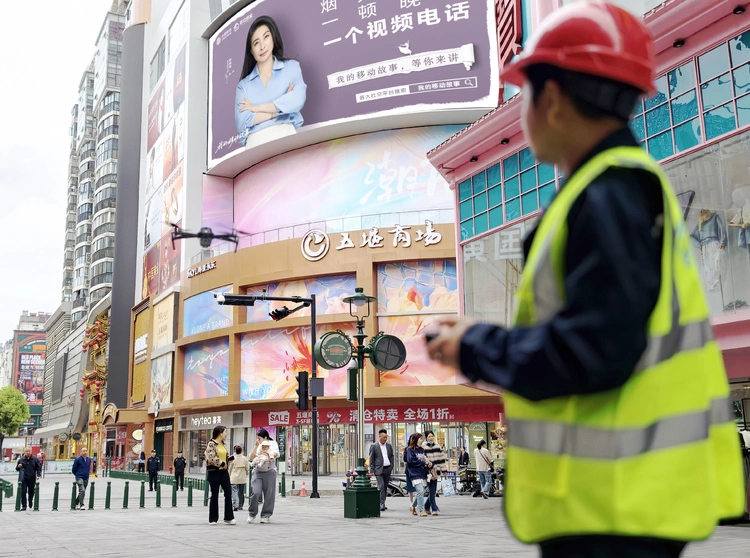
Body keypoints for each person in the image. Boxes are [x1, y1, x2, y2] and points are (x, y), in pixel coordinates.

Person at [425, 2, 744, 556]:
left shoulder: (608, 194)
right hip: (627, 500)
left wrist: (475, 346)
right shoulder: (618, 187)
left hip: (614, 507)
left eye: (525, 94)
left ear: (550, 99)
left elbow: (596, 346)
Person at [235, 15, 307, 147]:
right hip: (255, 143)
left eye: (266, 37)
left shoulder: (291, 67)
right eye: (256, 43)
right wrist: (277, 110)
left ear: (273, 37)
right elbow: (242, 121)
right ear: (251, 51)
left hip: (285, 134)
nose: (262, 46)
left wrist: (257, 108)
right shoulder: (243, 86)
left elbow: (298, 99)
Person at [205, 425, 236, 525]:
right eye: (225, 432)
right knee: (214, 495)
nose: (226, 434)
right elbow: (210, 457)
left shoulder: (223, 444)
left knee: (228, 493)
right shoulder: (211, 443)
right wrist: (222, 463)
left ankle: (229, 517)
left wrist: (229, 458)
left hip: (224, 472)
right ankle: (213, 519)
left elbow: (224, 455)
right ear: (220, 433)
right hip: (214, 472)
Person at [247, 428, 279, 524]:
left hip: (270, 471)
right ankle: (252, 513)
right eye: (257, 438)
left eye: (259, 438)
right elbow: (251, 457)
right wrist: (256, 446)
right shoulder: (258, 445)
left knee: (269, 494)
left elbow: (276, 454)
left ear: (265, 437)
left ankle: (266, 514)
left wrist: (267, 455)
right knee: (256, 492)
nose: (258, 440)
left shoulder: (273, 444)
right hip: (258, 471)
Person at [405, 433, 431, 517]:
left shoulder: (422, 450)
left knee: (421, 491)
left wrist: (428, 463)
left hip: (422, 473)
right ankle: (421, 510)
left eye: (422, 439)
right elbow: (411, 461)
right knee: (420, 491)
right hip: (414, 473)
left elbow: (425, 458)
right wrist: (423, 463)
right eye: (420, 439)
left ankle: (412, 506)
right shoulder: (410, 450)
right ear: (416, 440)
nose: (422, 440)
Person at [368, 428, 394, 512]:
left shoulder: (389, 445)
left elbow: (391, 456)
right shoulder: (374, 446)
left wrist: (391, 466)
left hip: (387, 469)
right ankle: (381, 504)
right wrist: (372, 470)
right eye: (384, 437)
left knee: (385, 487)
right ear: (379, 437)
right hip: (378, 469)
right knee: (381, 486)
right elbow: (371, 458)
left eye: (386, 437)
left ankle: (383, 502)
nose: (385, 439)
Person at [422, 430, 447, 515]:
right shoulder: (423, 447)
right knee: (431, 490)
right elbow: (422, 459)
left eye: (432, 436)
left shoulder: (438, 446)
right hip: (428, 472)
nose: (431, 438)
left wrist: (444, 470)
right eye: (429, 436)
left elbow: (442, 459)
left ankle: (426, 506)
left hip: (436, 471)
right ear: (426, 438)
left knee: (434, 490)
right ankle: (434, 509)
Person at [15, 447, 41, 511]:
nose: (28, 452)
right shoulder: (21, 460)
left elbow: (38, 468)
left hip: (32, 478)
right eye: (26, 451)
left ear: (31, 451)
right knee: (23, 492)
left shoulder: (35, 459)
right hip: (24, 478)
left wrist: (38, 475)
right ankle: (24, 505)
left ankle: (30, 500)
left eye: (29, 451)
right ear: (24, 452)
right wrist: (18, 467)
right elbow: (17, 469)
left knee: (31, 491)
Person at [230, 445, 249, 511]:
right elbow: (247, 468)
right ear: (241, 451)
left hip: (234, 477)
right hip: (242, 477)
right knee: (241, 492)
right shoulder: (244, 459)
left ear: (235, 451)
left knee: (234, 491)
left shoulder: (233, 458)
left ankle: (236, 504)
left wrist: (229, 475)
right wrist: (246, 473)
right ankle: (240, 505)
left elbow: (230, 468)